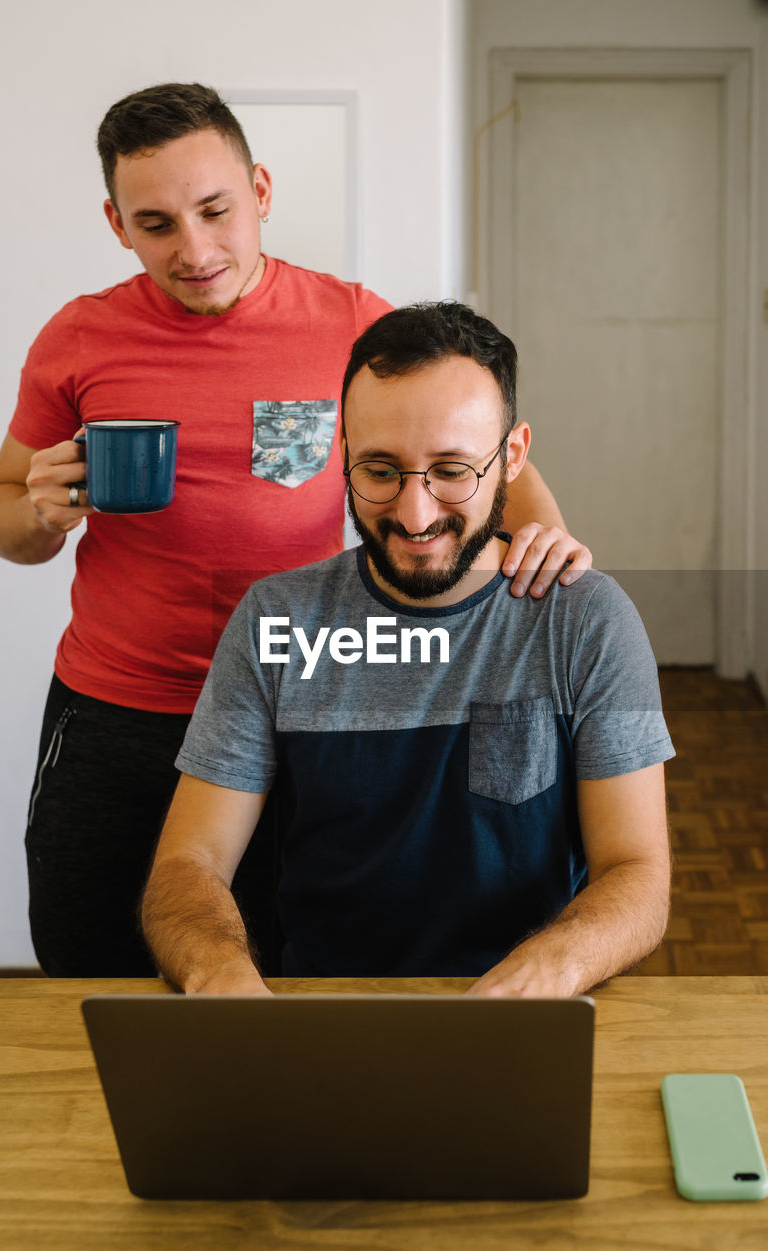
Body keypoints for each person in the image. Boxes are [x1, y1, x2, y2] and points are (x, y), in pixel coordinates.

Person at [0, 83, 592, 978]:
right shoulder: (78, 337)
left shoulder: (350, 322)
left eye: (216, 211)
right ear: (116, 224)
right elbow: (2, 513)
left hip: (301, 699)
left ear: (260, 192)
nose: (193, 249)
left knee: (284, 953)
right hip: (121, 707)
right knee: (88, 952)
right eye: (155, 225)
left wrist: (545, 541)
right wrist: (36, 514)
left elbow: (485, 449)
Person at [142, 301, 674, 997]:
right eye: (380, 471)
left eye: (452, 470)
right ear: (343, 455)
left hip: (531, 1014)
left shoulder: (587, 619)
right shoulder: (274, 619)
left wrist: (554, 968)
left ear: (510, 457)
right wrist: (216, 970)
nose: (414, 515)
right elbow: (187, 863)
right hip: (320, 1022)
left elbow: (638, 871)